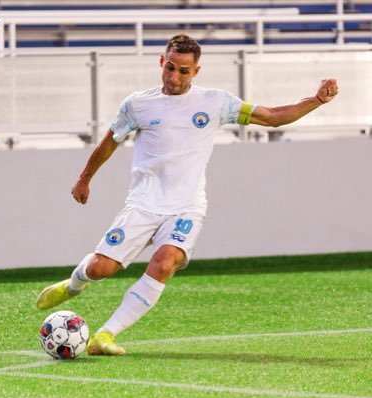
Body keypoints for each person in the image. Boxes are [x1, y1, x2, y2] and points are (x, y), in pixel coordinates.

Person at [36, 34, 338, 356]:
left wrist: (316, 100)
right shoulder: (138, 104)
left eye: (183, 71)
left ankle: (105, 335)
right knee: (99, 269)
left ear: (196, 71)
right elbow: (110, 141)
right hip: (143, 204)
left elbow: (273, 116)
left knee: (165, 262)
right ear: (161, 62)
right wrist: (84, 180)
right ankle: (72, 286)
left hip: (186, 207)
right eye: (170, 68)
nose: (174, 77)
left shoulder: (216, 102)